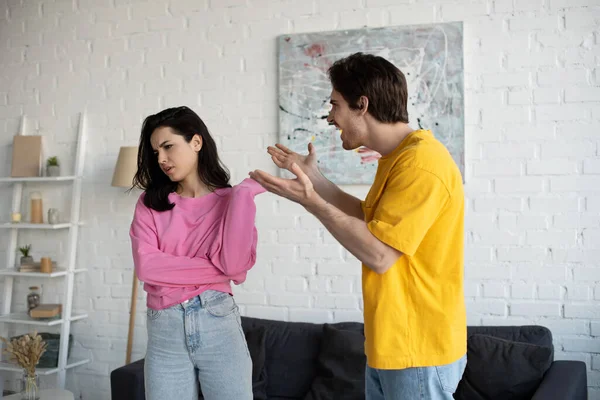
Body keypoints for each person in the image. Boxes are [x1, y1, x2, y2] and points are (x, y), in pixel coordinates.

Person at [250, 52, 467, 400]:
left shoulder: (422, 164)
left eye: (335, 104)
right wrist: (313, 178)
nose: (330, 115)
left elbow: (380, 254)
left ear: (361, 104)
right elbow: (369, 221)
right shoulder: (399, 157)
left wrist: (313, 204)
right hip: (393, 343)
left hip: (418, 347)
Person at [129, 106, 265, 400]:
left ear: (196, 141)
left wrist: (243, 194)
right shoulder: (150, 203)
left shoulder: (232, 201)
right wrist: (221, 271)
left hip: (218, 324)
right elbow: (148, 268)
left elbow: (235, 263)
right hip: (165, 329)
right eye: (155, 152)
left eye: (168, 146)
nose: (162, 159)